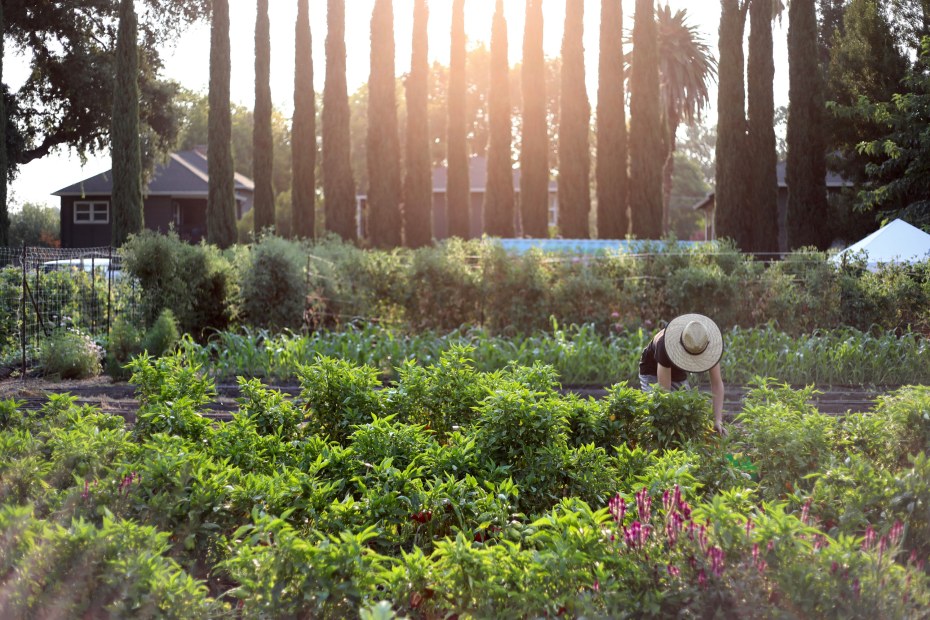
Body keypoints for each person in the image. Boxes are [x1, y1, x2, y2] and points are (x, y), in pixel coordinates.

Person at [638, 313, 726, 434]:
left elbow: (717, 384)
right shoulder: (664, 344)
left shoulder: (705, 341)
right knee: (659, 414)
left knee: (690, 414)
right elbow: (664, 393)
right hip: (653, 370)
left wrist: (718, 420)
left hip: (677, 371)